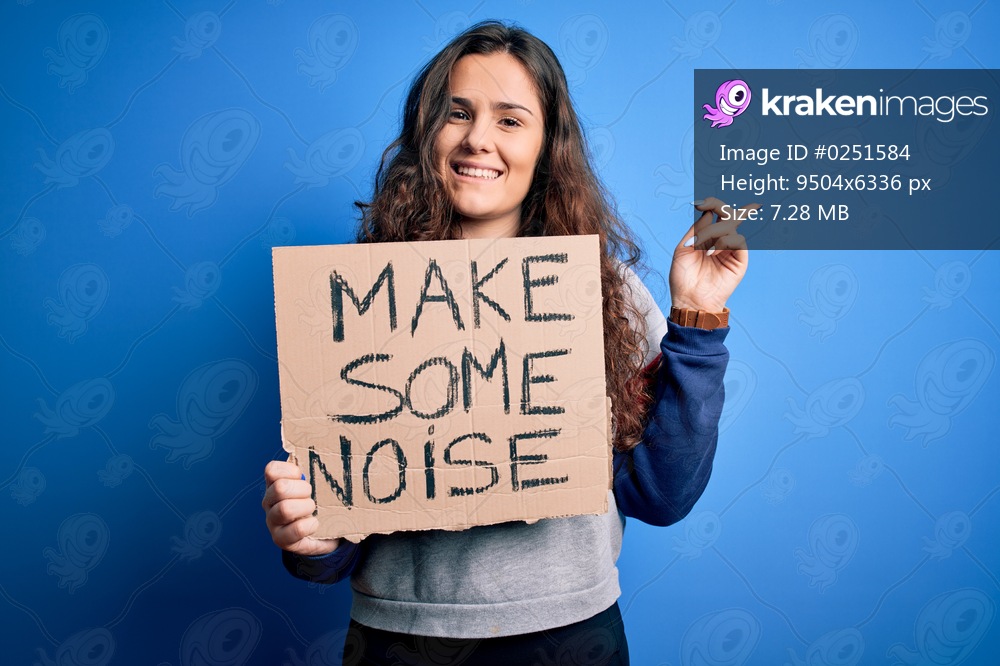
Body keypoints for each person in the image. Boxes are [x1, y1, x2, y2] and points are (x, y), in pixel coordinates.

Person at [262, 20, 750, 665]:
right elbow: (340, 537)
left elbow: (660, 496)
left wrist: (699, 316)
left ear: (548, 147)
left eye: (511, 120)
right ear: (425, 132)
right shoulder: (357, 299)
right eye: (456, 113)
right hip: (399, 639)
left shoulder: (607, 295)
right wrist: (308, 536)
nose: (478, 139)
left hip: (569, 633)